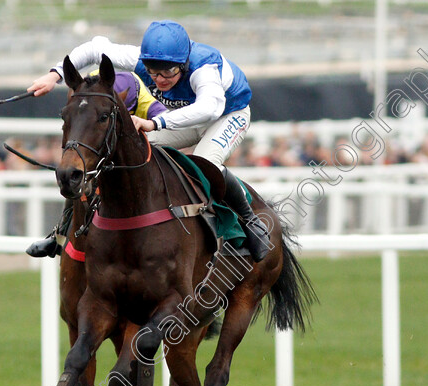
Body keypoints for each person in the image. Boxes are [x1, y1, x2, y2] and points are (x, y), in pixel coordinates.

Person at [27, 20, 270, 262]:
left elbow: (209, 109)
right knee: (132, 151)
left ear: (184, 64)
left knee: (204, 161)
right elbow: (94, 48)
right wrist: (54, 74)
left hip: (227, 114)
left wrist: (155, 123)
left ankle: (250, 222)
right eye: (153, 71)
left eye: (169, 71)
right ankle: (61, 233)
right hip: (189, 115)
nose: (160, 79)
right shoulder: (140, 59)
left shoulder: (203, 68)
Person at [26, 70, 168, 257]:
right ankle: (59, 235)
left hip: (143, 146)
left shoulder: (147, 102)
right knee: (76, 174)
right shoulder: (91, 83)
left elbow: (170, 127)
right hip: (102, 147)